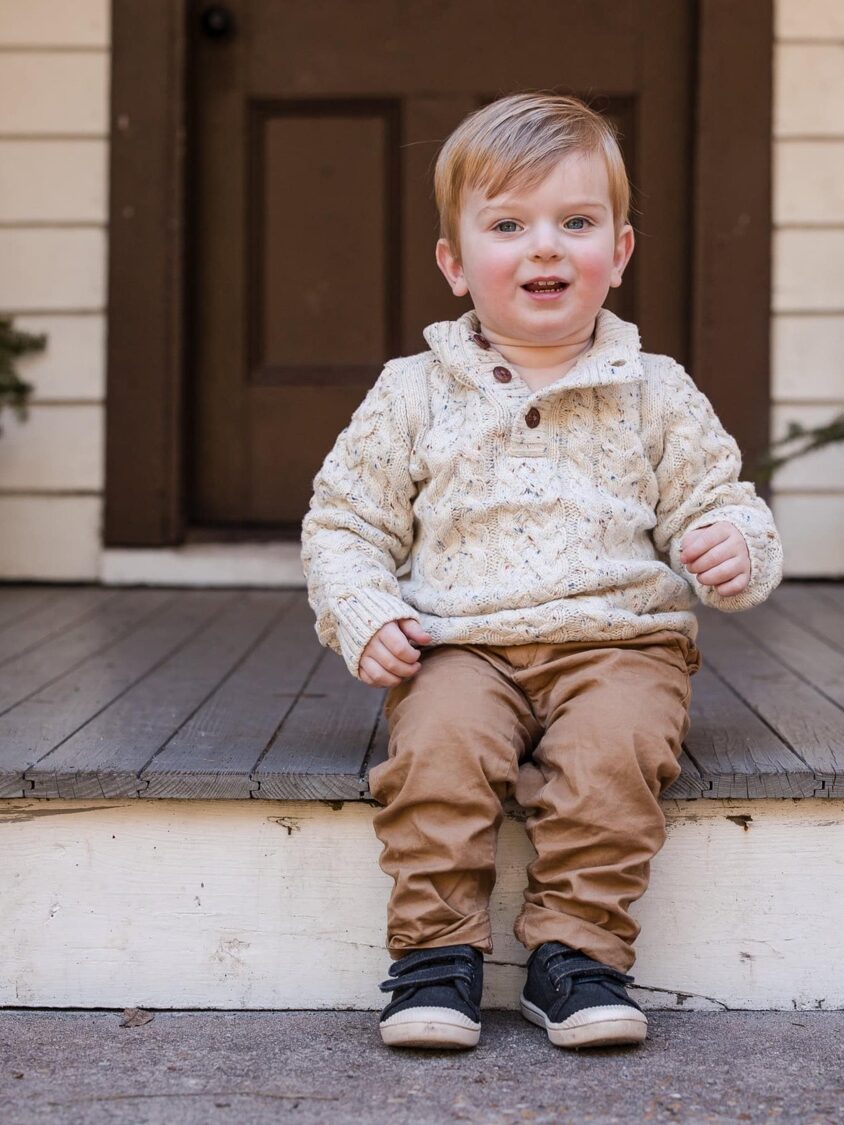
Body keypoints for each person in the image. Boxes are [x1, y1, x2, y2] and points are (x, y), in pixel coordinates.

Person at [300, 91, 783, 1051]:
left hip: (621, 643)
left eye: (577, 222)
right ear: (454, 261)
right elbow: (344, 521)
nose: (546, 248)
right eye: (509, 225)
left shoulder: (657, 389)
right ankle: (434, 956)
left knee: (613, 757)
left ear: (622, 249)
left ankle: (577, 953)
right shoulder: (414, 391)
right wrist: (361, 607)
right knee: (436, 751)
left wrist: (736, 546)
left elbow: (721, 499)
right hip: (460, 644)